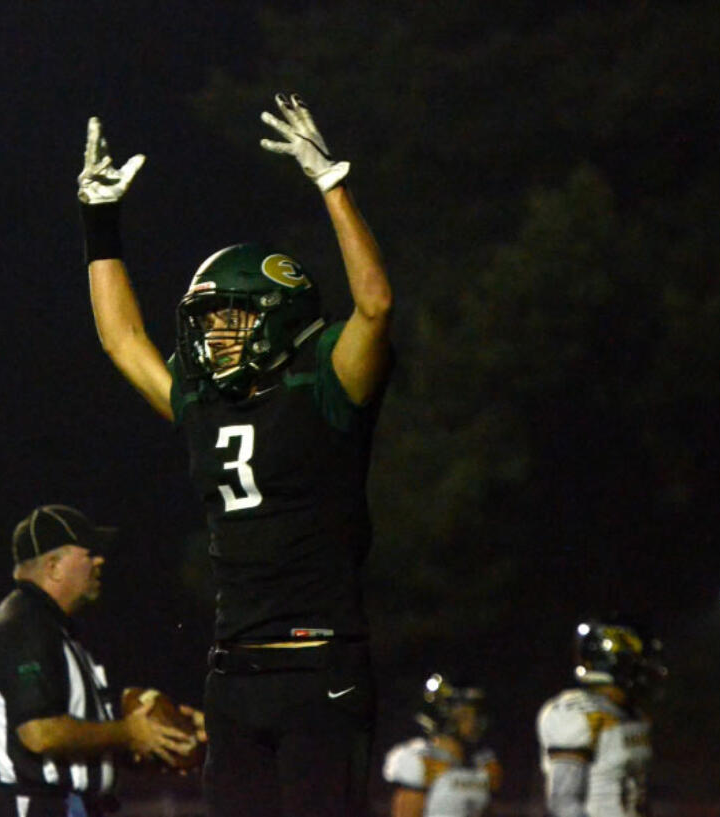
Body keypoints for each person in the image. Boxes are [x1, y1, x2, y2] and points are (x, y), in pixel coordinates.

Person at [80, 92, 393, 817]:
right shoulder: (206, 404)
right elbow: (122, 339)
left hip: (320, 660)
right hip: (234, 666)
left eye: (231, 318)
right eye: (206, 321)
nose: (213, 336)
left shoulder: (326, 386)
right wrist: (100, 224)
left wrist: (331, 184)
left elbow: (375, 305)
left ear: (281, 316)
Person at [0, 504, 203, 817]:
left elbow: (69, 727)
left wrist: (147, 741)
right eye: (89, 553)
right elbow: (40, 733)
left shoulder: (51, 627)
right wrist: (129, 733)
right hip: (36, 806)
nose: (100, 561)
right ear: (53, 565)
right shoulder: (23, 626)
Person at [536, 619, 665, 817]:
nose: (647, 669)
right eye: (638, 661)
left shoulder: (633, 715)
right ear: (616, 662)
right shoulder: (579, 713)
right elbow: (564, 802)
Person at [382, 674, 501, 817]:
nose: (477, 719)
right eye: (470, 712)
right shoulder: (421, 761)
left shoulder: (482, 763)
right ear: (446, 714)